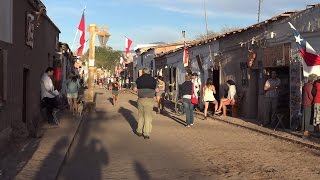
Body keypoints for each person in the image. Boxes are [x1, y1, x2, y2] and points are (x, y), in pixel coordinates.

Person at [134, 68, 158, 139]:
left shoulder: (138, 79)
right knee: (148, 117)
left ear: (143, 72)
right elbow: (157, 90)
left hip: (141, 99)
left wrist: (138, 91)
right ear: (149, 72)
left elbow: (135, 89)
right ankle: (146, 133)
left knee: (141, 116)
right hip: (150, 99)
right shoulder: (153, 80)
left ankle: (139, 131)